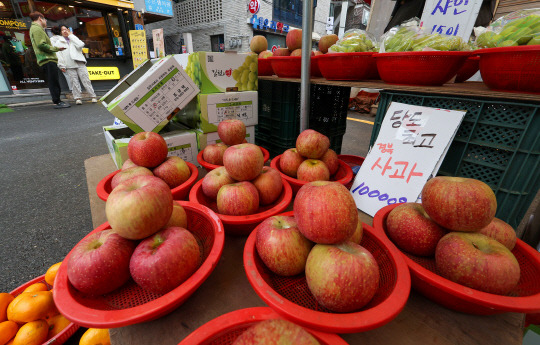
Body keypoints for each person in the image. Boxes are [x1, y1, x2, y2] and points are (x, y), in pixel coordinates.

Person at [28, 11, 70, 108]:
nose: (46, 21)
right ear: (40, 18)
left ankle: (57, 100)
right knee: (53, 81)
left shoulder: (36, 28)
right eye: (45, 19)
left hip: (46, 59)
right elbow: (41, 45)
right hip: (47, 59)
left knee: (53, 81)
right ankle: (57, 101)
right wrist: (56, 48)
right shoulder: (36, 28)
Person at [53, 25, 97, 105]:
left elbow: (81, 45)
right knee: (74, 82)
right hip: (69, 64)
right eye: (62, 30)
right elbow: (59, 55)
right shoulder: (58, 43)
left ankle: (93, 96)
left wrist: (71, 35)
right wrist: (61, 65)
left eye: (66, 29)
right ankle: (77, 98)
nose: (65, 31)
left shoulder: (73, 39)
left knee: (86, 80)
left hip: (79, 62)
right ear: (60, 32)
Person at [50, 26, 71, 91]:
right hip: (69, 59)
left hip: (61, 60)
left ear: (52, 32)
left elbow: (56, 52)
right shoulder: (64, 38)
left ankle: (73, 90)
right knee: (73, 76)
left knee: (68, 76)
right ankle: (76, 90)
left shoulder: (51, 40)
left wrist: (61, 65)